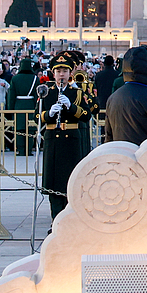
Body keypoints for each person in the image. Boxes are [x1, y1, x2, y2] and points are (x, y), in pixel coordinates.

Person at [38, 51, 98, 217]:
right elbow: (37, 116)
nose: (61, 75)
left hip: (71, 139)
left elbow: (86, 116)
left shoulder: (76, 93)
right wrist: (49, 113)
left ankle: (70, 218)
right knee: (54, 182)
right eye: (58, 72)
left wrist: (71, 107)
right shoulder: (47, 92)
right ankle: (55, 219)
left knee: (71, 181)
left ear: (70, 73)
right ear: (53, 73)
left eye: (64, 71)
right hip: (53, 140)